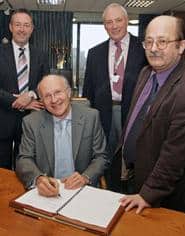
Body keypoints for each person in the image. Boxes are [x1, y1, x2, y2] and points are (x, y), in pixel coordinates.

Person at [109, 15, 185, 213]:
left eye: (162, 41)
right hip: (134, 178)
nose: (153, 48)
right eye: (149, 42)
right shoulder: (146, 73)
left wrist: (147, 194)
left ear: (181, 46)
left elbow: (174, 157)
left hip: (162, 196)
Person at [82, 3, 147, 187]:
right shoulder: (94, 53)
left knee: (133, 158)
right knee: (106, 158)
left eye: (118, 20)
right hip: (104, 114)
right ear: (104, 26)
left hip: (135, 114)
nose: (114, 25)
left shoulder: (143, 49)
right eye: (109, 22)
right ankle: (109, 193)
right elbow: (88, 89)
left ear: (127, 21)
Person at [16, 74, 109, 197]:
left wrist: (85, 177)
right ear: (42, 101)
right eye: (47, 96)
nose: (54, 100)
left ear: (69, 92)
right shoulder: (31, 122)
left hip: (82, 190)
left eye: (58, 92)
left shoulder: (91, 117)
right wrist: (38, 179)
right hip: (48, 191)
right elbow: (24, 159)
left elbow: (101, 157)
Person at [0, 9, 49, 169]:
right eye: (18, 24)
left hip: (31, 122)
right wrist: (18, 101)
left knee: (27, 170)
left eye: (26, 25)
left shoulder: (41, 55)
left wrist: (30, 95)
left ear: (32, 29)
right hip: (3, 120)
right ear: (10, 27)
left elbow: (45, 82)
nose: (22, 29)